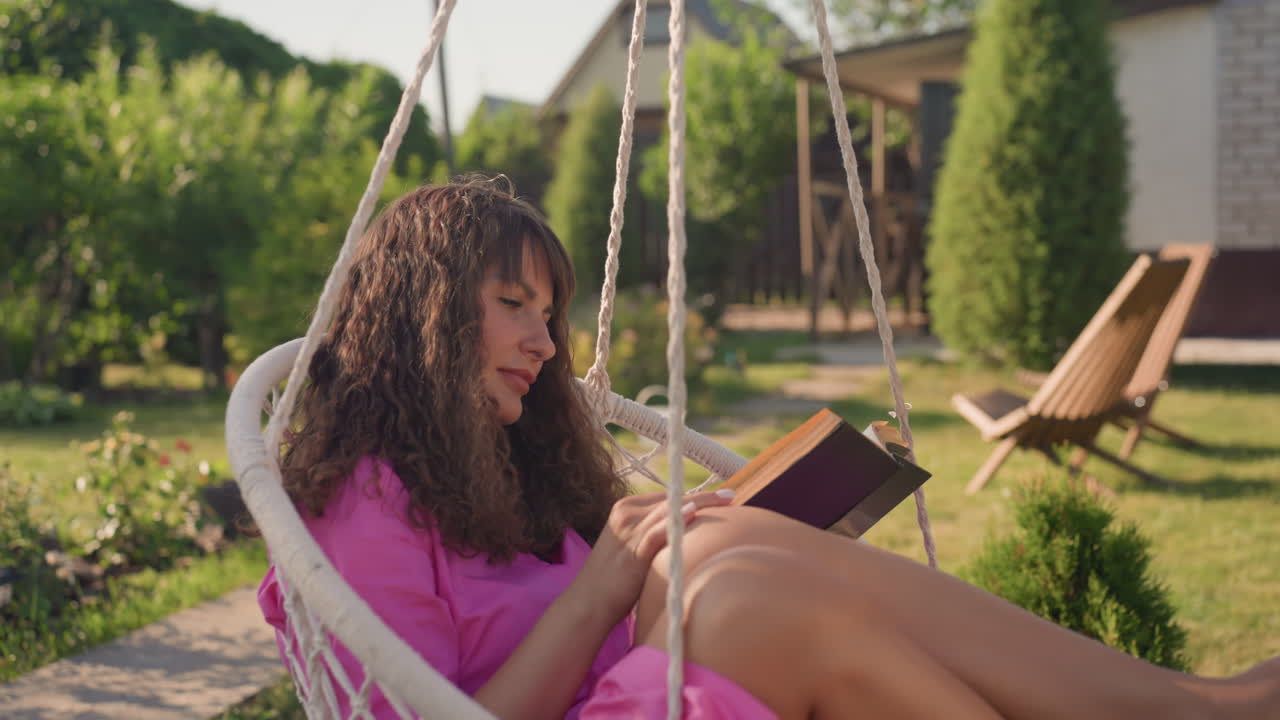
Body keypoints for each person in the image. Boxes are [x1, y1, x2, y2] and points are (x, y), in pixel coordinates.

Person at [258, 177, 1278, 720]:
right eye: (512, 304)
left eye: (549, 312)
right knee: (740, 588)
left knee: (731, 548)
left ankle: (1192, 712)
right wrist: (605, 584)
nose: (542, 340)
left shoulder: (495, 462)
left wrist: (663, 549)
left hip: (640, 684)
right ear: (429, 314)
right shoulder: (367, 505)